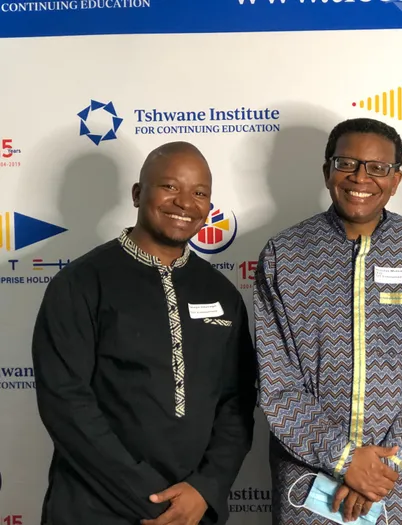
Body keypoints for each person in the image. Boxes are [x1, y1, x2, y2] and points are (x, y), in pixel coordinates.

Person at [32, 141, 256, 525]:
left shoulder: (221, 293)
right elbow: (66, 404)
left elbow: (236, 402)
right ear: (138, 194)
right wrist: (154, 500)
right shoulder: (81, 283)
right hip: (94, 508)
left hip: (192, 510)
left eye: (199, 193)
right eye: (170, 186)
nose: (185, 202)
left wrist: (205, 488)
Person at [254, 117, 402, 524]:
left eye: (377, 167)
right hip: (312, 490)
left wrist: (382, 466)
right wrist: (344, 459)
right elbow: (278, 386)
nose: (360, 178)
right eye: (346, 163)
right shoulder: (284, 255)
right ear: (327, 171)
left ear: (396, 179)